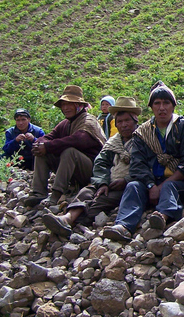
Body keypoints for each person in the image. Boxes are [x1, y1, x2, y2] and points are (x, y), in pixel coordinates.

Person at [103, 82, 184, 242]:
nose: (162, 108)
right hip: (151, 183)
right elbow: (137, 164)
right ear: (151, 107)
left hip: (178, 182)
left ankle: (162, 215)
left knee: (169, 187)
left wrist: (161, 186)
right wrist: (150, 186)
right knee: (133, 186)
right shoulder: (143, 132)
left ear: (173, 106)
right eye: (157, 103)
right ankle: (123, 225)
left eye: (166, 103)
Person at [41, 97, 141, 237]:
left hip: (128, 184)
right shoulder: (113, 142)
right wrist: (103, 182)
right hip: (110, 181)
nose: (124, 125)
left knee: (101, 201)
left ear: (135, 121)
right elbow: (101, 163)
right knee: (86, 191)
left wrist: (126, 180)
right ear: (115, 125)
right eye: (120, 122)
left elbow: (145, 165)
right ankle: (67, 218)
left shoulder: (142, 140)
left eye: (127, 121)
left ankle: (76, 221)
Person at [24, 85, 106, 208]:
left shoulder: (88, 121)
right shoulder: (65, 123)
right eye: (63, 105)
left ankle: (56, 194)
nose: (66, 108)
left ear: (79, 105)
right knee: (42, 151)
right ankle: (38, 192)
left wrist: (48, 145)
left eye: (70, 104)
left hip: (92, 170)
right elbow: (49, 137)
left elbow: (79, 140)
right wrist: (40, 144)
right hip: (73, 170)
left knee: (69, 151)